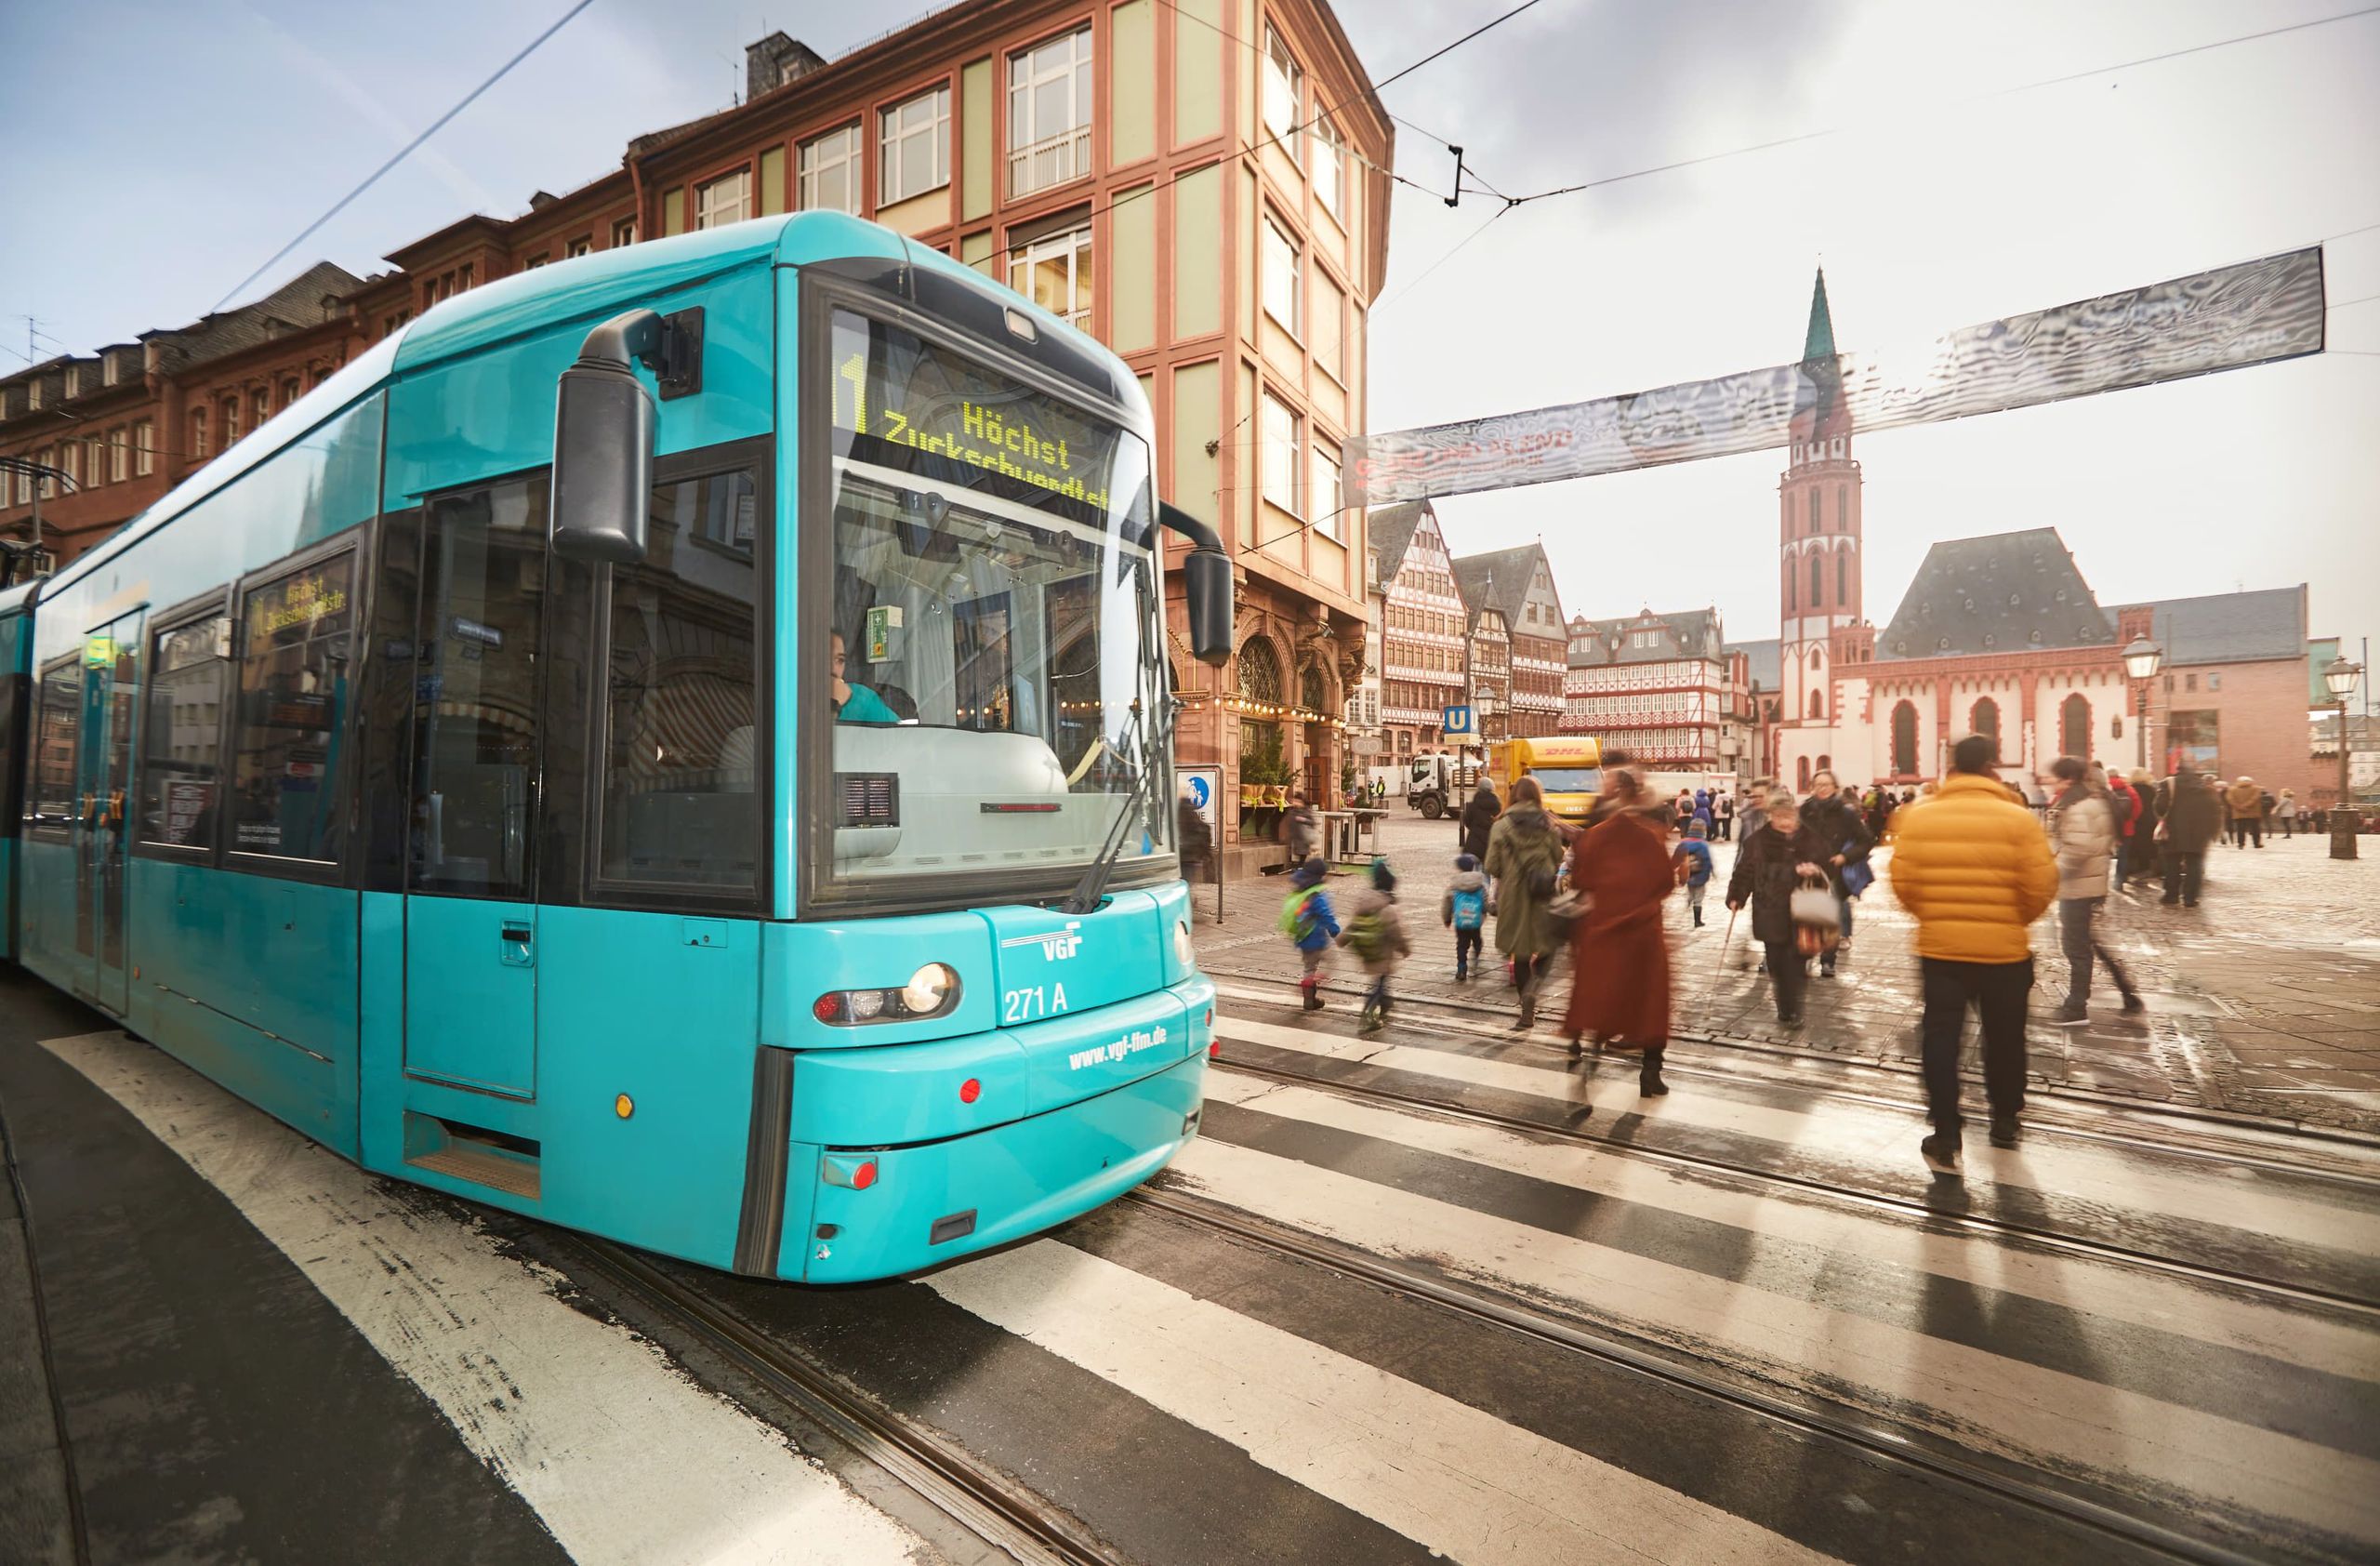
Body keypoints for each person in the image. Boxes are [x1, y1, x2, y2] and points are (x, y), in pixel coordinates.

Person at [1889, 733, 2057, 1174]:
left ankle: (1946, 1130)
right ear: (1990, 767)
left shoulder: (1922, 817)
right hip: (2005, 952)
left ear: (1951, 767)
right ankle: (2004, 1119)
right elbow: (2041, 886)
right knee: (2005, 1038)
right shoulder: (2018, 819)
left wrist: (1934, 915)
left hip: (1942, 951)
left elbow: (1903, 883)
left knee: (1941, 1038)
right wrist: (2013, 919)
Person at [1563, 770, 1676, 1095]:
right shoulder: (1651, 835)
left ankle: (1589, 1064)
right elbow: (1665, 883)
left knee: (1601, 1000)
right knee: (1651, 1004)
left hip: (1604, 932)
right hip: (1643, 934)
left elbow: (1582, 881)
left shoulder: (1595, 836)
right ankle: (1650, 1074)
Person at [2044, 756, 2142, 1023]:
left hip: (2080, 886)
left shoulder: (2079, 806)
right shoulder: (2090, 800)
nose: (2048, 780)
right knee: (2090, 944)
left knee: (2076, 947)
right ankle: (2129, 994)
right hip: (2088, 884)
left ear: (2067, 778)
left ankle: (2076, 1008)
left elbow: (2078, 849)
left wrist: (2047, 874)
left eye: (2053, 775)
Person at [1725, 790, 1832, 1026]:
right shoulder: (1757, 841)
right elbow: (1744, 872)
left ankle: (1793, 1009)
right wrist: (1736, 896)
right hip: (1769, 908)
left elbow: (1829, 864)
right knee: (1775, 963)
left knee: (1796, 962)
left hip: (1803, 911)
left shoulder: (1810, 839)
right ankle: (1784, 1005)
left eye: (1790, 817)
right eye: (1780, 817)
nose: (1786, 822)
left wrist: (1815, 869)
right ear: (1770, 816)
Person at [1484, 775, 1567, 1030]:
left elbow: (1491, 866)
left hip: (1514, 897)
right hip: (1543, 894)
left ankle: (1526, 1007)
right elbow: (1558, 858)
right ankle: (1536, 983)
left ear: (1514, 795)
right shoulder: (1548, 823)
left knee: (1520, 953)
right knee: (1549, 944)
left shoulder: (1501, 824)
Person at [1800, 768, 1873, 978]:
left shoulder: (1845, 812)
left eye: (1827, 785)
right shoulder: (1805, 810)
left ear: (1835, 788)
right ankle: (1806, 955)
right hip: (1808, 872)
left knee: (1831, 919)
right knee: (1808, 916)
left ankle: (1828, 960)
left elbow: (1866, 840)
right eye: (1818, 785)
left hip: (1833, 872)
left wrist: (1845, 857)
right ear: (1812, 787)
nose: (1822, 789)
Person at [1337, 858, 1412, 1035]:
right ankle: (1368, 1017)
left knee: (1381, 982)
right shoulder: (1387, 908)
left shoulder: (1364, 902)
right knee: (1378, 985)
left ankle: (1386, 1005)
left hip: (1366, 951)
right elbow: (1396, 932)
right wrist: (1405, 949)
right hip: (1382, 954)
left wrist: (1342, 939)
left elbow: (1353, 924)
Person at [1277, 857, 1340, 1010]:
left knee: (1309, 967)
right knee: (1332, 961)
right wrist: (1335, 931)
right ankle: (1310, 982)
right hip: (1317, 940)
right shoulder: (1316, 895)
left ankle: (1309, 1000)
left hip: (1303, 939)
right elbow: (1326, 915)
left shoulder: (1301, 890)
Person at [2161, 768, 2225, 907]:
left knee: (2172, 864)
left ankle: (2171, 895)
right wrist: (2213, 832)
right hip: (2199, 833)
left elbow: (2159, 807)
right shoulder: (2207, 789)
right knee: (2194, 864)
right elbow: (2216, 812)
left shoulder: (2169, 784)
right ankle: (2190, 898)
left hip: (2174, 831)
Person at [831, 630, 899, 723]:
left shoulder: (861, 697)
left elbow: (898, 733)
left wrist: (851, 700)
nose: (833, 669)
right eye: (824, 657)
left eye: (840, 660)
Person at [1443, 852, 1489, 980]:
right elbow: (1485, 902)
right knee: (1477, 939)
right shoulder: (1480, 884)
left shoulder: (1454, 884)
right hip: (1476, 921)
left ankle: (1461, 967)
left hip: (1460, 921)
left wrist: (1447, 919)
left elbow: (1447, 902)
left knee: (1462, 944)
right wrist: (1487, 912)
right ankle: (1477, 952)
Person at [2105, 765, 2142, 891]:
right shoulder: (2130, 790)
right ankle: (2119, 882)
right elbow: (2138, 808)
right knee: (2123, 855)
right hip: (2126, 828)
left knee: (2102, 856)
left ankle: (2101, 884)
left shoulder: (2103, 790)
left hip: (2106, 829)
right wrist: (2130, 820)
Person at [1674, 818, 1714, 928]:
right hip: (1700, 875)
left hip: (1687, 874)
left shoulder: (1683, 843)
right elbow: (1707, 862)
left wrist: (1677, 871)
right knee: (1699, 898)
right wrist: (1709, 874)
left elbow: (1676, 859)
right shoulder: (1703, 845)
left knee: (1691, 893)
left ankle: (1687, 907)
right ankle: (1697, 921)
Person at [1459, 780, 1501, 865]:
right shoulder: (1496, 804)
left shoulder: (1472, 805)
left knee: (1474, 869)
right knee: (1486, 869)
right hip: (1489, 841)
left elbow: (1467, 822)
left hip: (1474, 841)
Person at [1177, 795, 1212, 887]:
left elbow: (1202, 829)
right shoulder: (1186, 808)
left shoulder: (1183, 809)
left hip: (1186, 855)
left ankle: (1188, 899)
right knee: (1185, 882)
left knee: (1184, 882)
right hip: (1188, 856)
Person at [1283, 790, 1323, 869]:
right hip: (1296, 836)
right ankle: (1301, 867)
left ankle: (1301, 867)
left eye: (1298, 801)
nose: (1296, 803)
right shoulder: (1292, 811)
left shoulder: (1306, 811)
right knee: (1298, 853)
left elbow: (1313, 822)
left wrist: (1303, 820)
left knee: (1302, 853)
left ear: (1302, 802)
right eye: (1295, 801)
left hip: (1304, 837)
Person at [2225, 776, 2263, 848]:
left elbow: (2230, 799)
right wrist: (2246, 806)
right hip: (2253, 812)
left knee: (2240, 829)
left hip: (2239, 813)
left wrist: (2239, 807)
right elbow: (2254, 799)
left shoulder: (2232, 789)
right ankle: (2256, 844)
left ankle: (2241, 844)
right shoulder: (2256, 789)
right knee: (2255, 829)